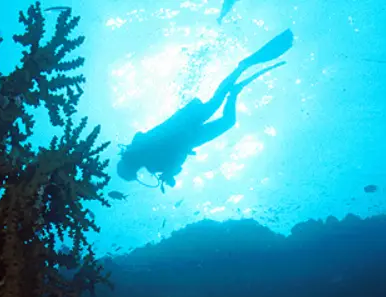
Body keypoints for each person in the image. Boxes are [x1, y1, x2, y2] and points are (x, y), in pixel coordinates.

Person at [117, 29, 294, 191]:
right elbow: (176, 160)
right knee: (225, 115)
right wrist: (169, 173)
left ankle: (240, 68)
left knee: (217, 104)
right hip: (191, 135)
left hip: (186, 124)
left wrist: (168, 173)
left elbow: (162, 150)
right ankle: (235, 88)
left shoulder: (143, 151)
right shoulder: (148, 158)